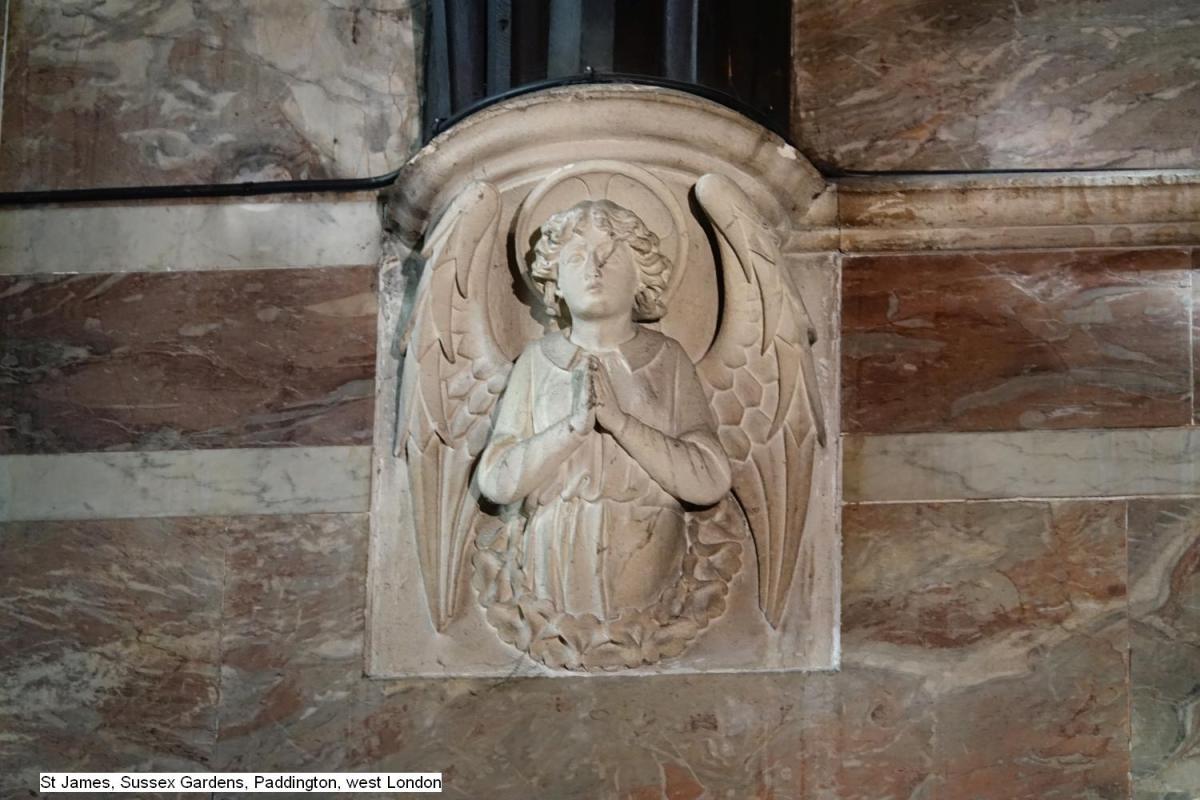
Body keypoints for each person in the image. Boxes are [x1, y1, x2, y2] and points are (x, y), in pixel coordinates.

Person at [476, 199, 731, 620]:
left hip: (649, 557)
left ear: (640, 276)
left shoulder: (667, 359)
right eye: (576, 258)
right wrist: (573, 428)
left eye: (610, 257)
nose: (593, 270)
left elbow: (709, 480)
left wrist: (620, 423)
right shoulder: (537, 361)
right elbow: (498, 482)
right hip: (553, 556)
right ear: (555, 281)